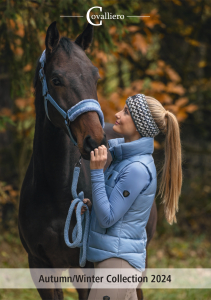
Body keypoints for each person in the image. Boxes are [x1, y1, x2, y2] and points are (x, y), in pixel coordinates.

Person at [76, 94, 182, 300]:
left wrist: (96, 171)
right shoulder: (125, 161)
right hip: (113, 261)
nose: (117, 114)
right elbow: (115, 211)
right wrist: (90, 207)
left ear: (140, 125)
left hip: (116, 265)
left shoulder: (137, 169)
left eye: (126, 112)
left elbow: (108, 217)